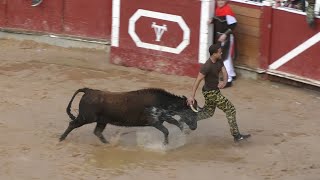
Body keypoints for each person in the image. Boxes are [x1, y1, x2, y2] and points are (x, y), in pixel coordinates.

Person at [187, 43, 251, 142]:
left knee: (208, 113)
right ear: (214, 54)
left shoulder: (219, 60)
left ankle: (190, 119)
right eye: (219, 52)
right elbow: (198, 81)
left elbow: (224, 71)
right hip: (210, 92)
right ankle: (236, 136)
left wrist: (224, 82)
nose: (221, 52)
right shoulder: (206, 66)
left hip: (214, 91)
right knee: (230, 109)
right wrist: (192, 96)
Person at [208, 0, 238, 88]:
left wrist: (225, 34)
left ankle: (228, 80)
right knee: (226, 57)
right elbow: (218, 20)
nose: (220, 2)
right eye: (219, 0)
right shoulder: (218, 10)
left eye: (223, 0)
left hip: (227, 38)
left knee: (224, 58)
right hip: (221, 37)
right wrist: (212, 20)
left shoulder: (227, 11)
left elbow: (233, 25)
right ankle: (232, 74)